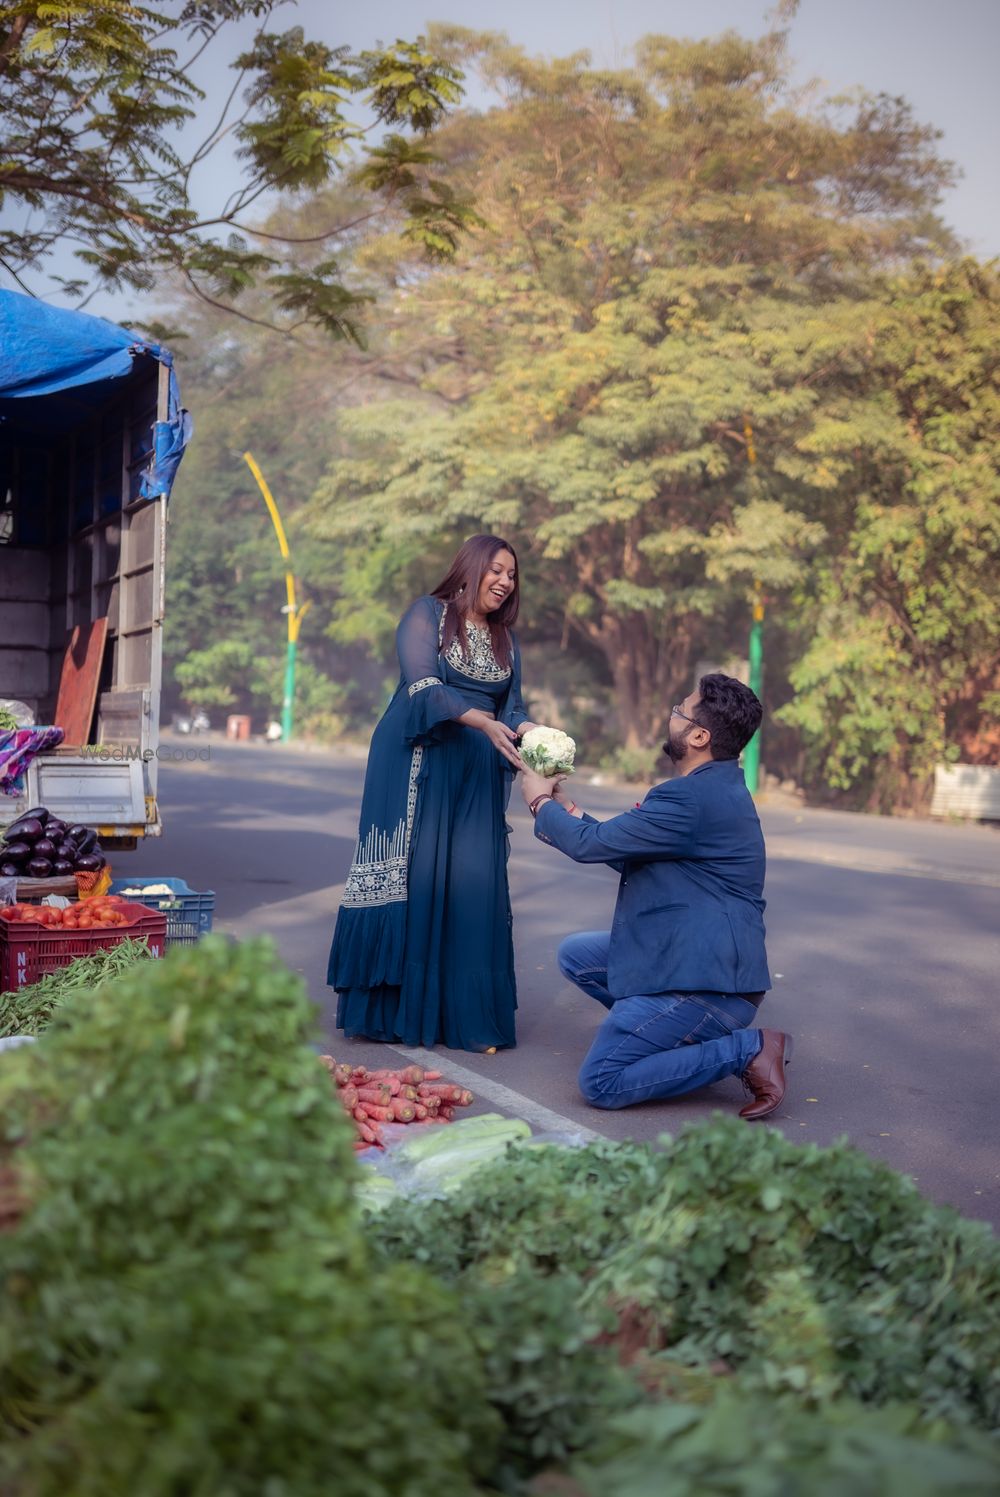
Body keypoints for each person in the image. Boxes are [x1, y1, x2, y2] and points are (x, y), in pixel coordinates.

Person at [519, 673, 792, 1119]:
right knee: (577, 955)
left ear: (699, 736)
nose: (672, 715)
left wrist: (538, 804)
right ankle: (667, 1034)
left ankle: (746, 1050)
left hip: (710, 984)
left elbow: (590, 846)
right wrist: (566, 810)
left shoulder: (687, 799)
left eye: (679, 711)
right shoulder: (711, 788)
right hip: (700, 963)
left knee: (601, 1081)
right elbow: (618, 843)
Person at [328, 535, 535, 1051]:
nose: (505, 581)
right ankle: (390, 1013)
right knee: (415, 877)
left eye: (512, 574)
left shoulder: (507, 639)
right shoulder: (429, 614)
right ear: (470, 568)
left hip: (476, 774)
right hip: (418, 761)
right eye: (497, 569)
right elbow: (423, 686)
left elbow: (513, 708)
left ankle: (464, 1018)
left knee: (472, 882)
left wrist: (536, 735)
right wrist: (481, 724)